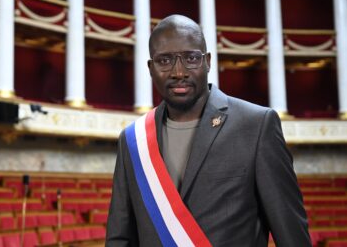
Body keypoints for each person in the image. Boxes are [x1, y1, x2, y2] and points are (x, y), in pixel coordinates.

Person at [105, 14, 311, 247]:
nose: (178, 72)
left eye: (191, 58)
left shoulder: (257, 125)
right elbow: (120, 238)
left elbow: (291, 234)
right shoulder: (133, 140)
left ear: (208, 61)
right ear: (151, 68)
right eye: (165, 61)